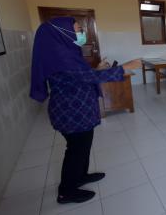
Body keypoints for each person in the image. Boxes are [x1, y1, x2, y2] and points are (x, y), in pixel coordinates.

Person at [30, 17, 141, 204]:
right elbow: (80, 76)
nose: (82, 32)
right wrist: (125, 68)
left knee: (83, 147)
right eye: (78, 29)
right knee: (76, 151)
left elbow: (82, 76)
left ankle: (80, 176)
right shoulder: (60, 56)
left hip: (77, 110)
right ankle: (66, 191)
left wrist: (96, 69)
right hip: (71, 112)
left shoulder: (67, 52)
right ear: (63, 32)